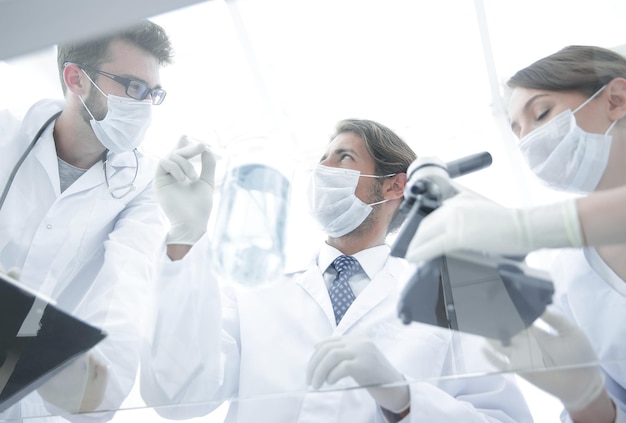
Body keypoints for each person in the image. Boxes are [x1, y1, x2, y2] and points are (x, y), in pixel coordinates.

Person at [140, 119, 533, 422]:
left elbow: (503, 417)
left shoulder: (453, 296)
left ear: (396, 186)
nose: (322, 170)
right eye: (322, 159)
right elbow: (178, 397)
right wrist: (185, 235)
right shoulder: (255, 289)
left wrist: (405, 398)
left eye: (343, 157)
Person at [407, 45, 626, 423]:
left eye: (541, 114)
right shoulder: (571, 275)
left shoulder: (551, 232)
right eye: (518, 131)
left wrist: (525, 228)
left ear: (617, 99)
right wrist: (585, 397)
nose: (529, 140)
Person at [0, 20, 174, 421]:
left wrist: (91, 389)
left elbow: (126, 289)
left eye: (153, 93)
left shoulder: (143, 186)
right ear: (76, 79)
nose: (144, 104)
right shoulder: (7, 133)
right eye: (133, 87)